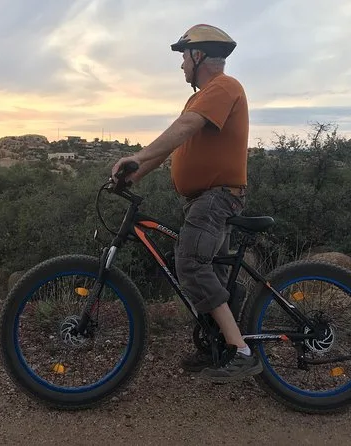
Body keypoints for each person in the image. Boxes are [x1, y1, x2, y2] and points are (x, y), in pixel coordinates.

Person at [111, 23, 262, 382]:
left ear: (198, 55)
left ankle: (241, 352)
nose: (181, 65)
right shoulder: (203, 97)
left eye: (183, 57)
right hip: (206, 200)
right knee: (214, 273)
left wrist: (137, 155)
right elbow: (174, 144)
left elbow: (183, 129)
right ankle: (218, 346)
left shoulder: (223, 86)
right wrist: (133, 175)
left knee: (191, 264)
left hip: (216, 198)